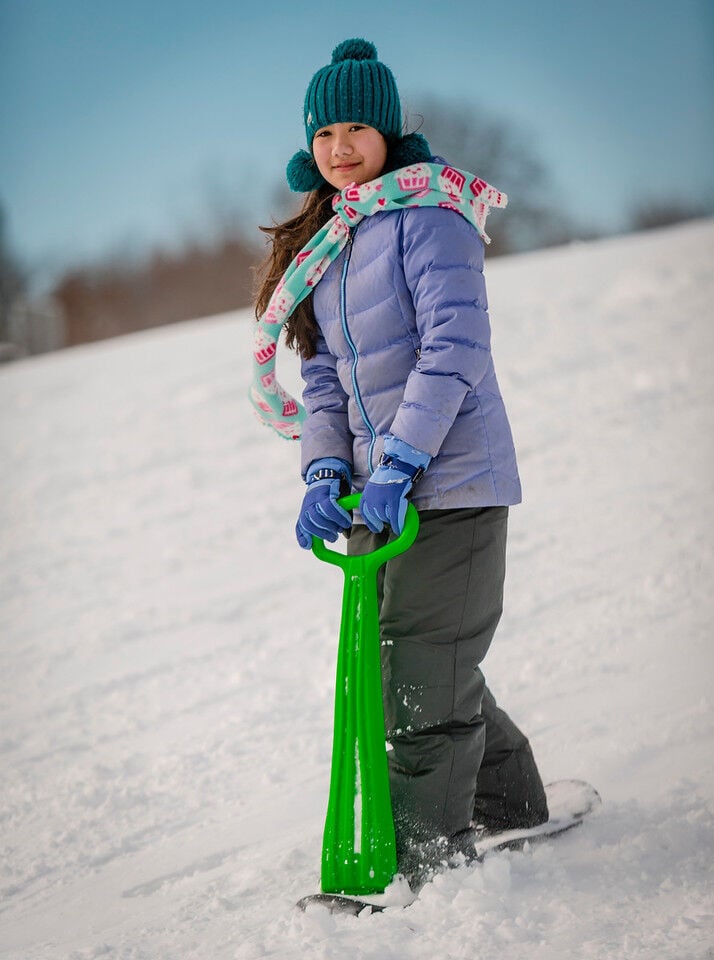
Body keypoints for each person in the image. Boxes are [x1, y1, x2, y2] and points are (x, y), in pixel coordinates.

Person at [254, 38, 549, 887]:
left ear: (387, 132)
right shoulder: (329, 242)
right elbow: (323, 376)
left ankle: (425, 862)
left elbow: (454, 346)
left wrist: (399, 461)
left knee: (423, 679)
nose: (340, 148)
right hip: (380, 502)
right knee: (422, 664)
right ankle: (513, 804)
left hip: (450, 487)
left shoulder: (429, 215)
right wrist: (325, 470)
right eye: (324, 134)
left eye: (356, 127)